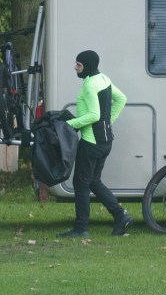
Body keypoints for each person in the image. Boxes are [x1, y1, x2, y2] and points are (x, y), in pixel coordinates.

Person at [57, 50, 133, 238]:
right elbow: (121, 99)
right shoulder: (103, 79)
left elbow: (93, 115)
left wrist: (70, 124)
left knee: (81, 183)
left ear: (88, 66)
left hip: (91, 143)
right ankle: (120, 215)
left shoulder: (90, 85)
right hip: (106, 141)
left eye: (79, 65)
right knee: (93, 181)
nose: (75, 68)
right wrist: (109, 122)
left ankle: (81, 228)